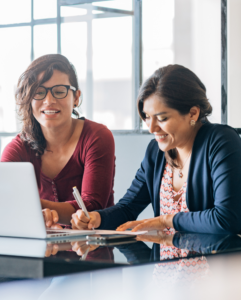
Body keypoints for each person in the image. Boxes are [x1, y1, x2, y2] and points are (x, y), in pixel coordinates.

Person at [71, 64, 241, 234]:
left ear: (193, 113)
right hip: (162, 260)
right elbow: (128, 208)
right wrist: (97, 218)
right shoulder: (156, 151)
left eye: (162, 118)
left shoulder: (221, 142)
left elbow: (226, 218)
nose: (151, 128)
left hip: (215, 260)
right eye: (147, 117)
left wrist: (166, 220)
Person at [1, 54, 115, 227]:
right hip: (40, 249)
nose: (49, 101)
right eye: (39, 92)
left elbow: (90, 207)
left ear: (76, 97)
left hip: (93, 248)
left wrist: (31, 207)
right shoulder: (18, 148)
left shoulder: (97, 137)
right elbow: (4, 201)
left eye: (59, 91)